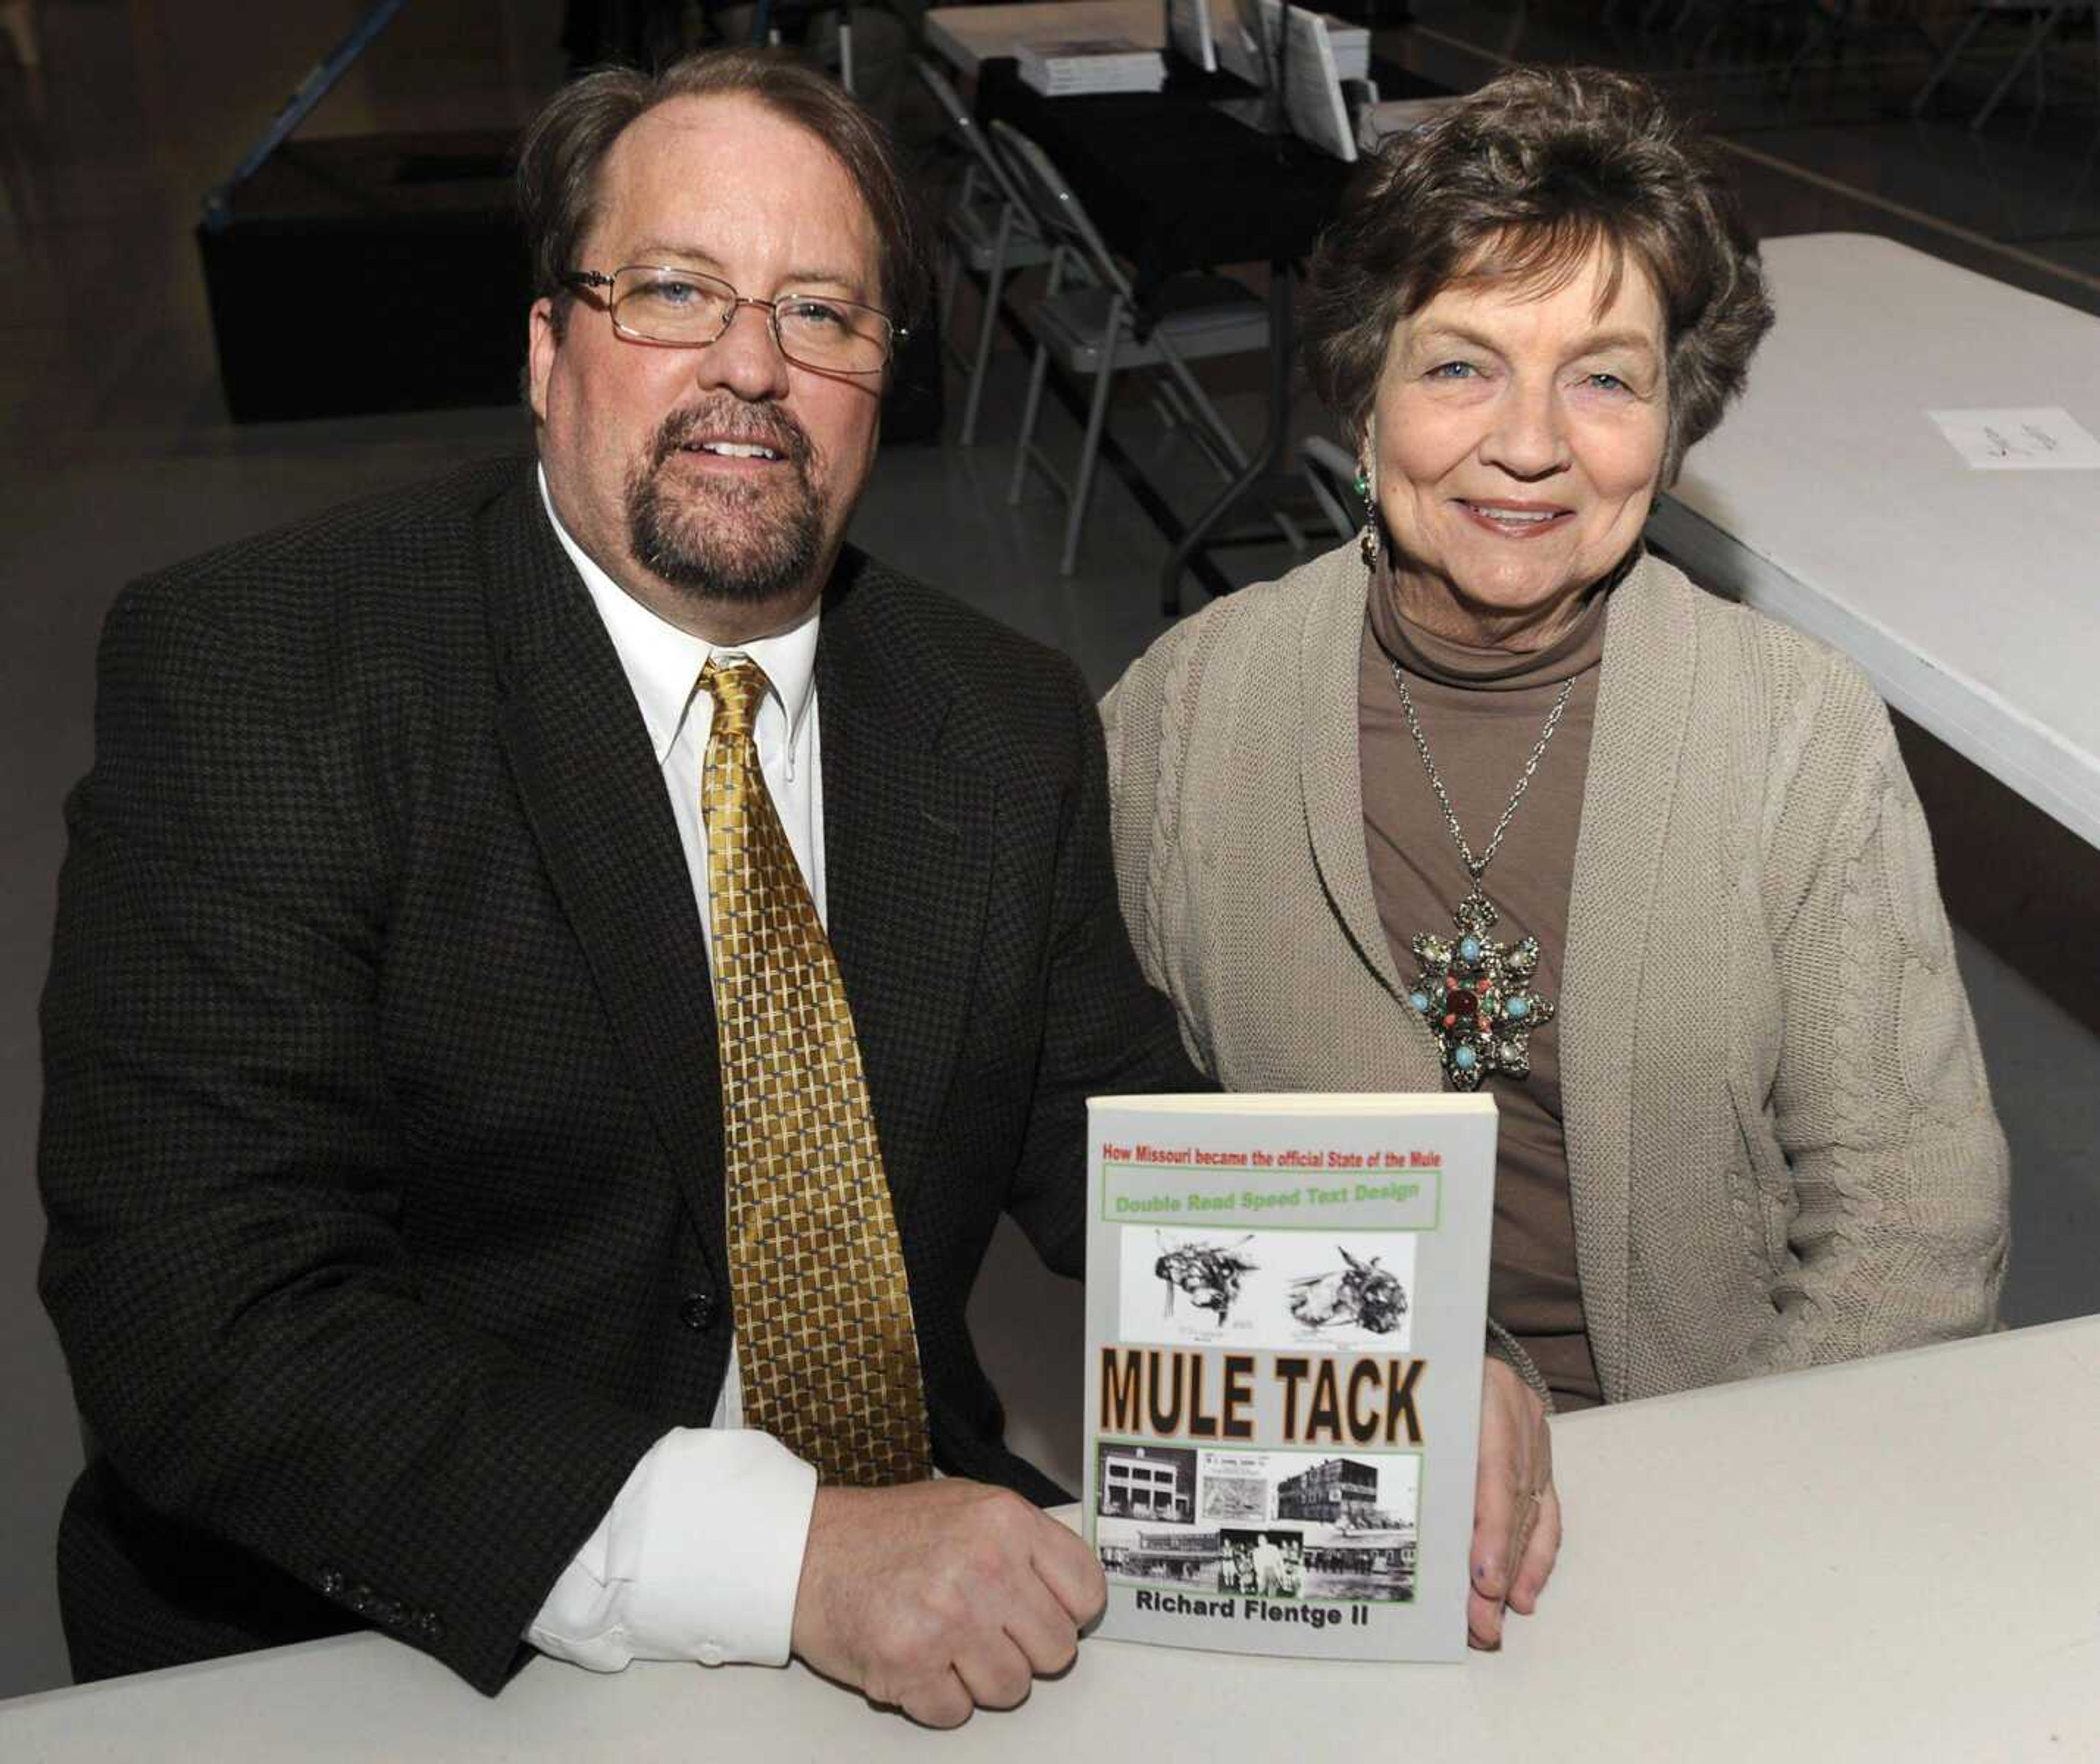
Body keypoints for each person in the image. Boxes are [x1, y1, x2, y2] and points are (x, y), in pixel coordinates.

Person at [39, 48, 1195, 1726]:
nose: (750, 366)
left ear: (882, 376)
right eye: (672, 290)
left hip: (918, 1597)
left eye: (822, 314)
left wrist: (1407, 1358)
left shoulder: (1000, 717)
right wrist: (791, 1559)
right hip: (395, 1640)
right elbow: (200, 1316)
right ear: (544, 346)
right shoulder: (266, 674)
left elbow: (1127, 1151)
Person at [1102, 65, 2010, 1651]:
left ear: (1676, 412)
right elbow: (1092, 1137)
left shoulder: (1794, 730)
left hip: (1709, 1493)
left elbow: (1915, 1218)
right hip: (1317, 1506)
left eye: (1604, 378)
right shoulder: (1183, 714)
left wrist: (1714, 1515)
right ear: (1363, 382)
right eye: (1462, 365)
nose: (1530, 446)